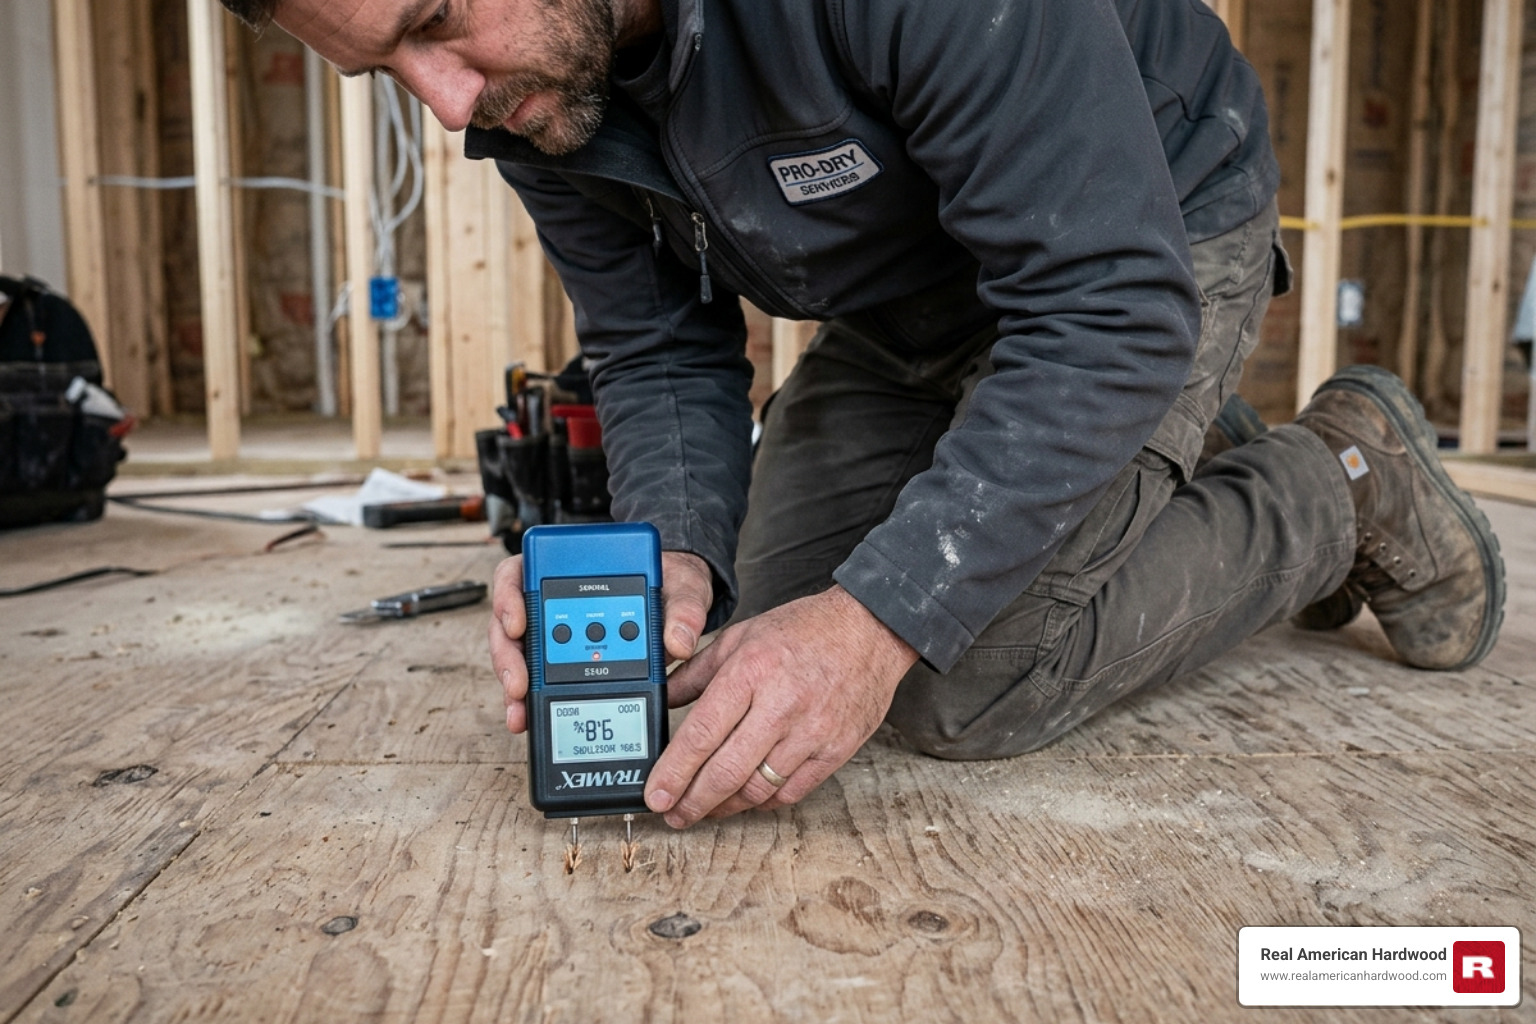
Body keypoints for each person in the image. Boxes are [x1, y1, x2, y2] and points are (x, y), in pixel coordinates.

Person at [226, 0, 1505, 830]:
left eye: (437, 21)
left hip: (1138, 239)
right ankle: (1139, 468)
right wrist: (672, 552)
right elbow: (659, 343)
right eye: (386, 67)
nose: (446, 102)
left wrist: (879, 623)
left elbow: (1101, 304)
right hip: (909, 300)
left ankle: (1340, 476)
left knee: (959, 679)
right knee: (763, 640)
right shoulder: (540, 92)